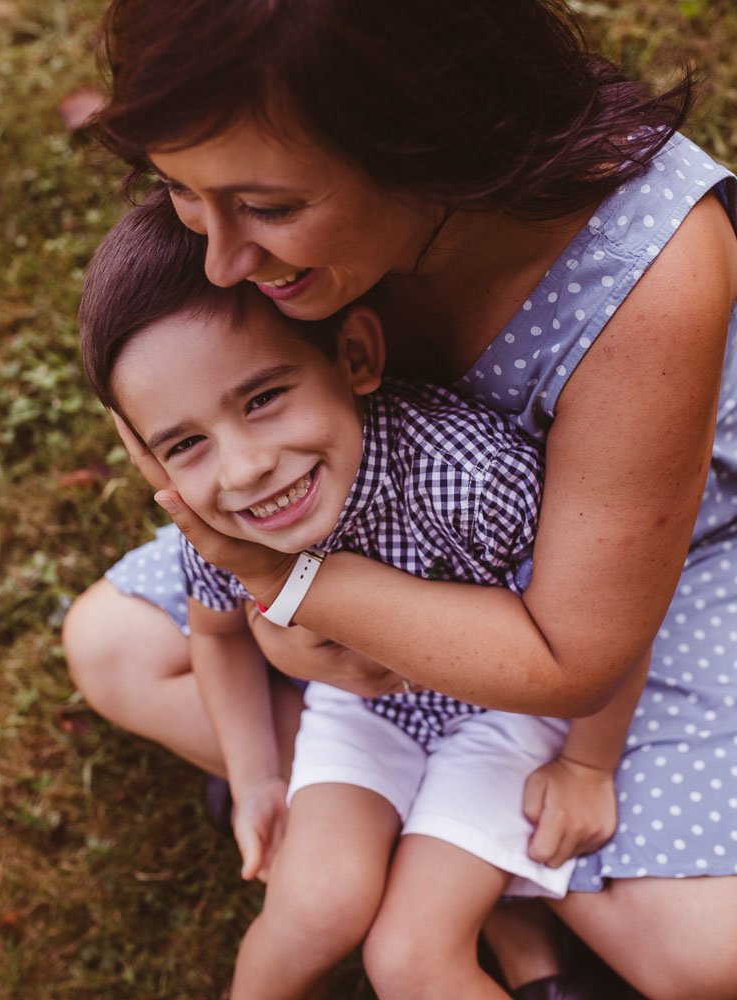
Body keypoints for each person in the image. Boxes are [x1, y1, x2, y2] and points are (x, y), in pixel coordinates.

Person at [62, 1, 737, 997]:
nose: (219, 262)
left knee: (700, 955)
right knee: (113, 648)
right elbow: (160, 404)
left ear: (424, 144)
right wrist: (278, 601)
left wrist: (286, 590)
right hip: (366, 511)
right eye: (177, 191)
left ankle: (421, 845)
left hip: (621, 578)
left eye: (267, 207)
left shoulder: (649, 272)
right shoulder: (249, 211)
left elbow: (569, 657)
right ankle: (454, 855)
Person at [78, 189, 645, 999]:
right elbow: (218, 635)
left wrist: (588, 765)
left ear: (354, 357)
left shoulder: (469, 476)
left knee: (410, 957)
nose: (245, 470)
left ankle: (506, 928)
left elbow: (605, 622)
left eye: (263, 398)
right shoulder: (221, 526)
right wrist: (256, 779)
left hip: (504, 716)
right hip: (363, 712)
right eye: (188, 443)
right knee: (313, 909)